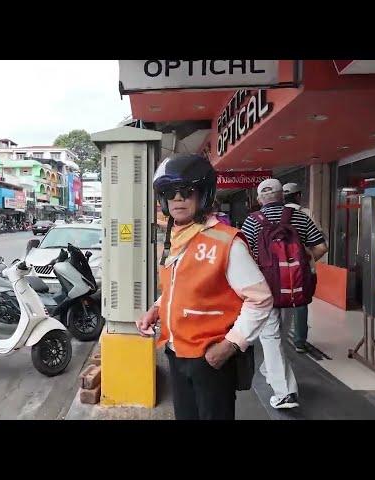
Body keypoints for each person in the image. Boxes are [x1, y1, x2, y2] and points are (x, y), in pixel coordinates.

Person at [136, 154, 274, 420]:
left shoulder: (226, 242)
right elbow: (177, 285)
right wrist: (156, 309)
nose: (177, 198)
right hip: (176, 354)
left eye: (186, 191)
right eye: (169, 192)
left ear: (203, 194)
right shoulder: (175, 239)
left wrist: (231, 345)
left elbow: (260, 299)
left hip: (210, 359)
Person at [241, 179, 328, 409]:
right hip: (292, 288)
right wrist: (300, 267)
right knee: (279, 334)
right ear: (283, 196)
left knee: (270, 337)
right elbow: (321, 247)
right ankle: (270, 370)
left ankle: (285, 392)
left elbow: (242, 255)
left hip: (264, 288)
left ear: (260, 199)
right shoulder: (299, 217)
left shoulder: (252, 221)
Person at [282, 182, 326, 353]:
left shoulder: (273, 215)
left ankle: (278, 338)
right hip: (302, 269)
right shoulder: (306, 214)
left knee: (279, 302)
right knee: (301, 303)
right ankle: (300, 341)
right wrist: (309, 261)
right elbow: (321, 245)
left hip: (279, 270)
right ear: (298, 196)